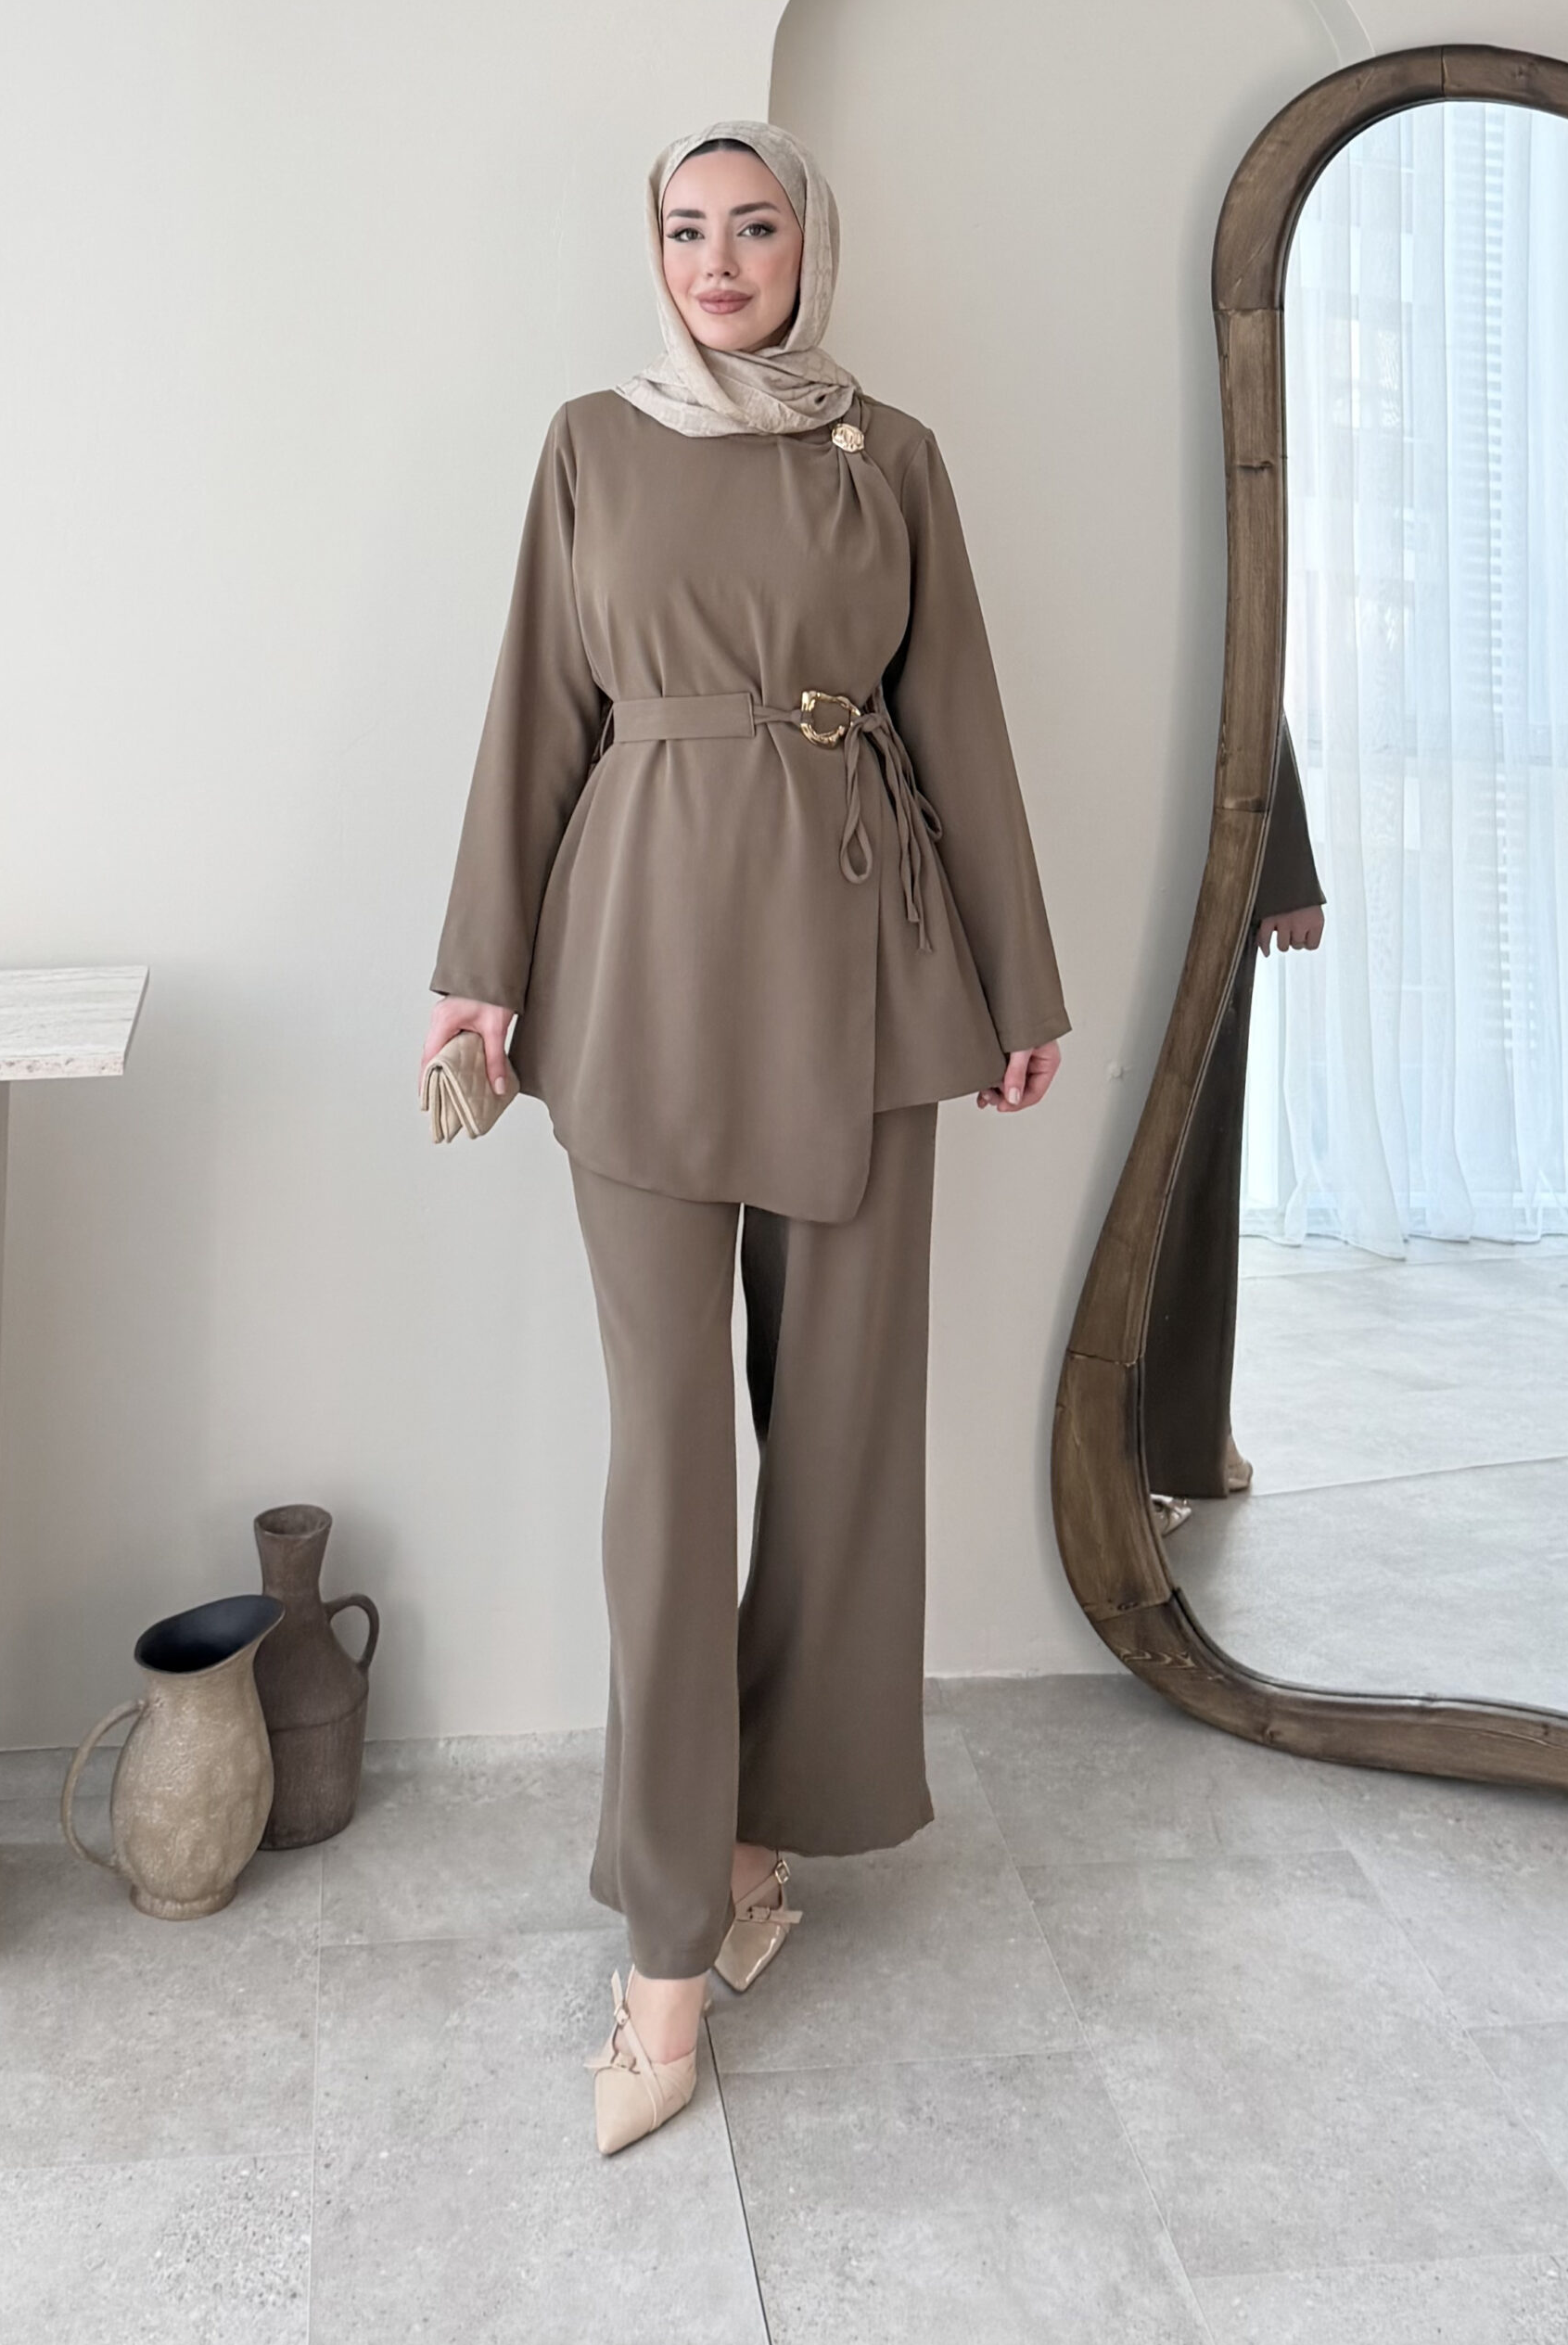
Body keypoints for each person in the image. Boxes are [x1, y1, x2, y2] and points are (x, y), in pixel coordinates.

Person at [423, 119, 1069, 2153]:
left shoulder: (894, 456)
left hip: (866, 975)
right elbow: (534, 713)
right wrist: (478, 969)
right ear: (655, 251)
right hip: (633, 975)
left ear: (810, 246)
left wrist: (1019, 984)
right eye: (687, 228)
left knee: (845, 1439)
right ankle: (665, 1948)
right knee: (669, 1468)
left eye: (755, 226)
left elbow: (959, 721)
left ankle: (765, 1831)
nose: (718, 260)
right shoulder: (590, 445)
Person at [1142, 717, 1324, 1506]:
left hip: (1196, 869)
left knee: (1192, 1165)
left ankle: (1178, 1440)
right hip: (1096, 847)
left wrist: (1285, 873)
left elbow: (1249, 683)